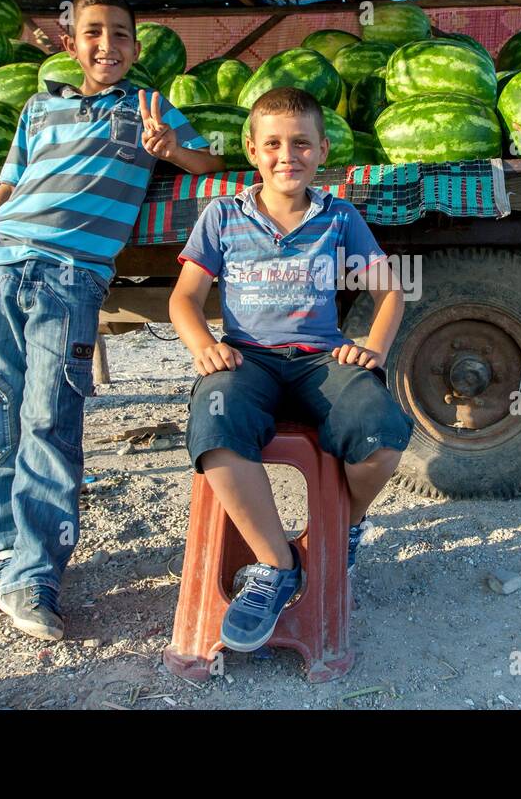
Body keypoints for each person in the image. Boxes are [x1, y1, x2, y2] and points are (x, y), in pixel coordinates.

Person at [0, 0, 224, 641]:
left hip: (70, 275)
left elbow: (210, 161)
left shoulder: (150, 108)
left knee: (50, 418)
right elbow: (6, 189)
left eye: (121, 35)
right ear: (71, 45)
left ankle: (36, 578)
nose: (107, 45)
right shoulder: (40, 109)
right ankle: (7, 560)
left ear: (136, 47)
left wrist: (168, 148)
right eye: (94, 33)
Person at [169, 86, 413, 653]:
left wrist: (373, 348)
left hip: (319, 363)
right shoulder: (223, 216)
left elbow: (390, 292)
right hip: (245, 359)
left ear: (322, 150)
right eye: (274, 143)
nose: (288, 155)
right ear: (252, 151)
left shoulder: (339, 216)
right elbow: (184, 298)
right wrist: (202, 344)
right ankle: (277, 566)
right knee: (215, 427)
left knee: (381, 434)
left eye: (301, 143)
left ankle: (341, 530)